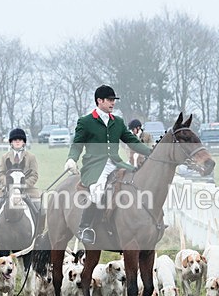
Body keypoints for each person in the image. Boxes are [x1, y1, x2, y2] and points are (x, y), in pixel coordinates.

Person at [65, 85, 153, 244]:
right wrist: (72, 159)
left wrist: (151, 152)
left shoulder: (117, 122)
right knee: (98, 192)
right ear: (100, 101)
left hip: (116, 163)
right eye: (110, 100)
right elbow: (77, 144)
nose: (113, 103)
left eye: (114, 100)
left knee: (136, 181)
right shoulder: (85, 122)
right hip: (94, 166)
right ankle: (85, 227)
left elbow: (132, 141)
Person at [0, 128, 39, 244]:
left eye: (20, 140)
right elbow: (0, 173)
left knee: (40, 208)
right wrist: (8, 184)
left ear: (24, 142)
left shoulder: (31, 157)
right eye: (15, 140)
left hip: (27, 189)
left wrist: (23, 184)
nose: (17, 142)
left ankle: (38, 235)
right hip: (8, 188)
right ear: (11, 142)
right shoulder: (5, 156)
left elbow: (34, 175)